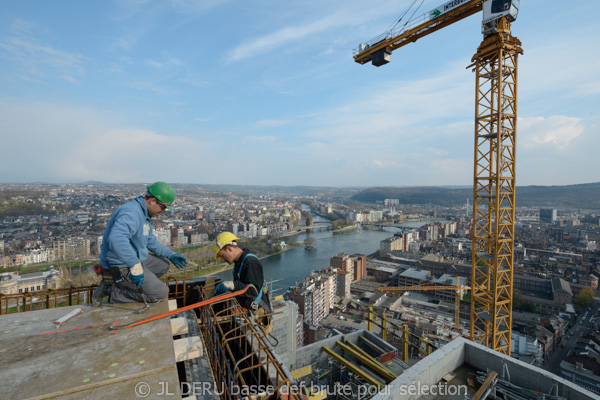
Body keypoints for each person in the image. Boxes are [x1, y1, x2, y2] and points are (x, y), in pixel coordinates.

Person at [92, 181, 188, 306]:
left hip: (133, 258)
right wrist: (134, 265)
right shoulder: (132, 213)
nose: (163, 211)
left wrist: (170, 255)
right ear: (153, 201)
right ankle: (115, 292)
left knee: (163, 264)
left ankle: (127, 284)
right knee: (161, 293)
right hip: (119, 264)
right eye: (163, 207)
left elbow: (150, 240)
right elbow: (116, 239)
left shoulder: (144, 214)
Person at [212, 232, 272, 320]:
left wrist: (233, 285)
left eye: (222, 255)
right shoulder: (239, 263)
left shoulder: (250, 262)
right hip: (247, 309)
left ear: (229, 248)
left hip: (257, 314)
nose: (222, 259)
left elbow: (253, 291)